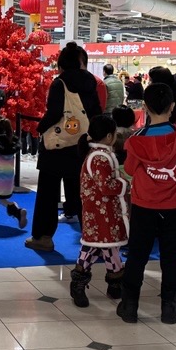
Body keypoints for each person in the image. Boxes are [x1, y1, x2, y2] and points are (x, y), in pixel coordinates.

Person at [118, 83, 176, 324]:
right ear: (173, 106)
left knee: (137, 254)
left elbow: (130, 169)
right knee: (172, 256)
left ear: (145, 106)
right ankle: (170, 307)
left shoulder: (135, 140)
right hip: (174, 207)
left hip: (144, 206)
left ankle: (129, 305)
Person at [26, 43, 102, 251]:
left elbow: (54, 113)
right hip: (82, 145)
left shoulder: (59, 83)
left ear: (61, 65)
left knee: (48, 193)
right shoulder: (91, 82)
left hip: (57, 147)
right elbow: (96, 111)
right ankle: (93, 238)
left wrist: (40, 128)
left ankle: (43, 237)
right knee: (83, 194)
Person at [70, 115, 129, 307]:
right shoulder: (100, 158)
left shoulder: (96, 154)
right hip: (101, 213)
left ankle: (114, 283)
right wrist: (124, 184)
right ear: (109, 136)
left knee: (108, 246)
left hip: (99, 211)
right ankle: (79, 283)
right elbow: (106, 186)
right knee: (94, 247)